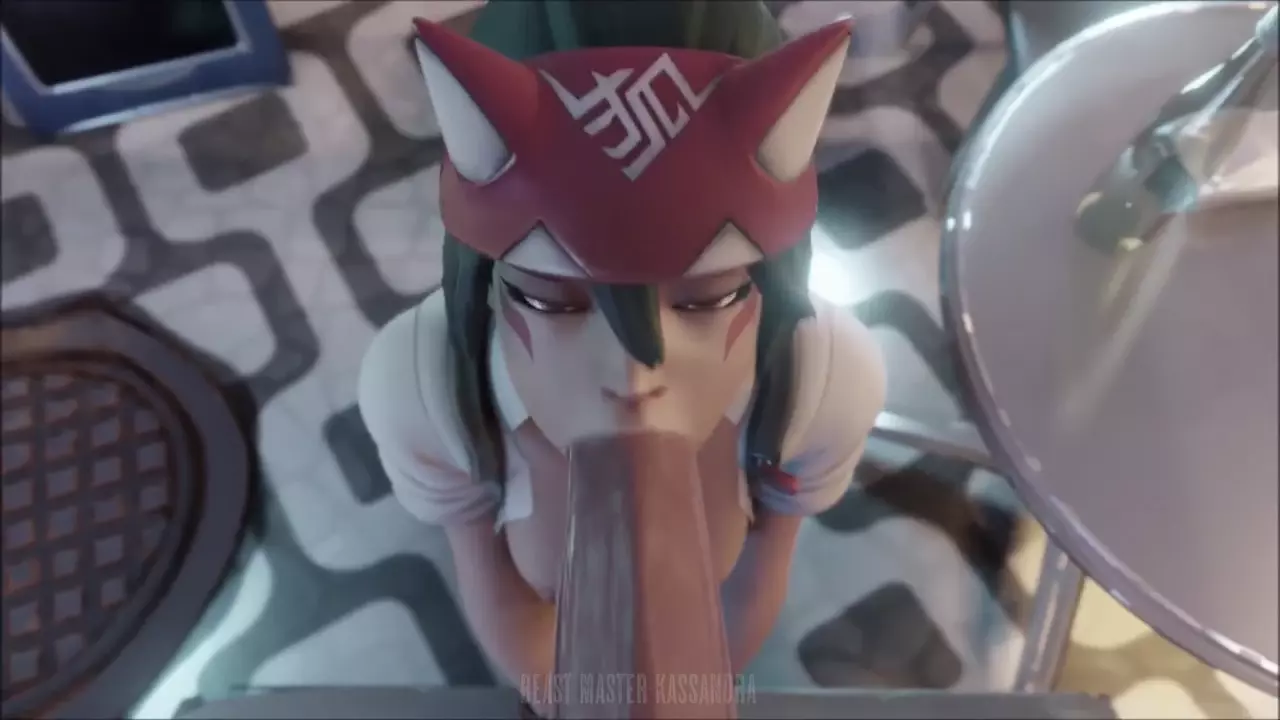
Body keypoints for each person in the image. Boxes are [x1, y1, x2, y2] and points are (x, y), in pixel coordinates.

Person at [358, 0, 886, 710]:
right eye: (552, 303)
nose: (634, 376)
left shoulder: (822, 382)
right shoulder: (424, 389)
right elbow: (488, 579)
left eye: (706, 301)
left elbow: (757, 580)